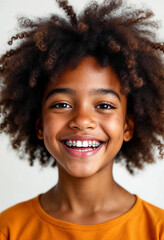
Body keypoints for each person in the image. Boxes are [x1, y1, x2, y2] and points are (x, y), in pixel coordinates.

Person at [0, 0, 164, 239]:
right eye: (62, 104)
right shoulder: (9, 229)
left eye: (105, 106)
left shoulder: (157, 230)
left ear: (128, 126)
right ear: (39, 124)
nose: (82, 120)